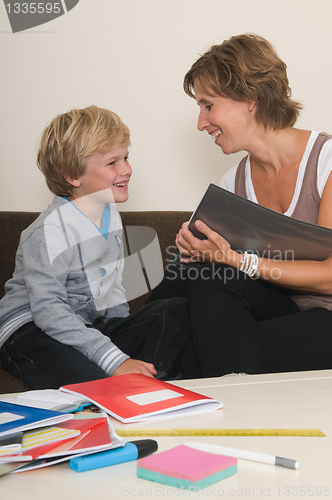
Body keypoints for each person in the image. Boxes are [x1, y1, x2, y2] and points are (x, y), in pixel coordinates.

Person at [147, 33, 332, 378]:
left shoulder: (326, 161)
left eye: (208, 105)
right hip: (284, 310)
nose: (201, 123)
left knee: (196, 353)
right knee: (207, 273)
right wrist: (196, 252)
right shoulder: (233, 183)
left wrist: (234, 258)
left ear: (250, 97)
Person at [0, 105, 193, 389]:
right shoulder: (50, 230)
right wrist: (114, 361)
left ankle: (154, 382)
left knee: (174, 310)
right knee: (97, 382)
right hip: (29, 330)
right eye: (112, 162)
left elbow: (111, 287)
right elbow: (48, 311)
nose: (126, 169)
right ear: (72, 175)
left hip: (82, 327)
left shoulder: (108, 214)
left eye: (126, 157)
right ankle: (128, 389)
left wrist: (122, 339)